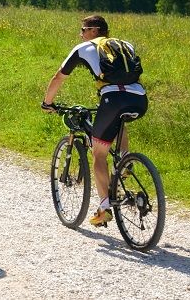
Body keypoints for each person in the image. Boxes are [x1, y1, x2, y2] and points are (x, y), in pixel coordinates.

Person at [41, 15, 148, 227]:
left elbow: (58, 77)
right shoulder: (124, 44)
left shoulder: (84, 49)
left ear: (93, 30)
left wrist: (47, 102)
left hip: (112, 99)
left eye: (83, 30)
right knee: (118, 123)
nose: (80, 34)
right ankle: (125, 163)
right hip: (139, 98)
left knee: (99, 155)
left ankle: (105, 207)